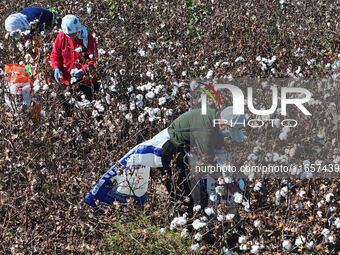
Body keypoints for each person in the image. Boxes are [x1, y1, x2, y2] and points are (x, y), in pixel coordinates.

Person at [161, 106, 245, 212]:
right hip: (169, 148)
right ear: (222, 123)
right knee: (182, 193)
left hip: (183, 148)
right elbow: (210, 164)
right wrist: (232, 188)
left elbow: (220, 152)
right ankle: (184, 222)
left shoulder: (215, 121)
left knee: (192, 187)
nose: (228, 134)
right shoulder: (206, 131)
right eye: (230, 130)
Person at [50, 14, 99, 116]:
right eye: (69, 35)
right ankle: (70, 121)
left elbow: (93, 59)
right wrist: (56, 67)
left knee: (94, 104)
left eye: (73, 34)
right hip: (66, 77)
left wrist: (83, 69)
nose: (71, 37)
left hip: (85, 79)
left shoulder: (87, 38)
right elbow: (55, 54)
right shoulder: (61, 37)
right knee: (65, 103)